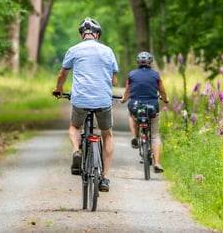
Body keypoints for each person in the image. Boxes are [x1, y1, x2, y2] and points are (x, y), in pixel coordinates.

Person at [53, 17, 119, 192]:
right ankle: (104, 177)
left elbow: (62, 74)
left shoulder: (73, 50)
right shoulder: (107, 51)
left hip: (80, 99)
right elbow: (114, 80)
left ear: (82, 34)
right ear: (97, 35)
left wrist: (59, 89)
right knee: (108, 135)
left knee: (75, 126)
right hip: (103, 100)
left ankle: (76, 151)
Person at [120, 51, 169, 173]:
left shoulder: (131, 75)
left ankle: (134, 136)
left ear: (138, 62)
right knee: (155, 135)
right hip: (152, 107)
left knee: (132, 116)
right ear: (150, 62)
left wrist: (124, 99)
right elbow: (162, 91)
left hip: (136, 106)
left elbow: (127, 92)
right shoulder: (156, 75)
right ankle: (157, 163)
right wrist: (165, 99)